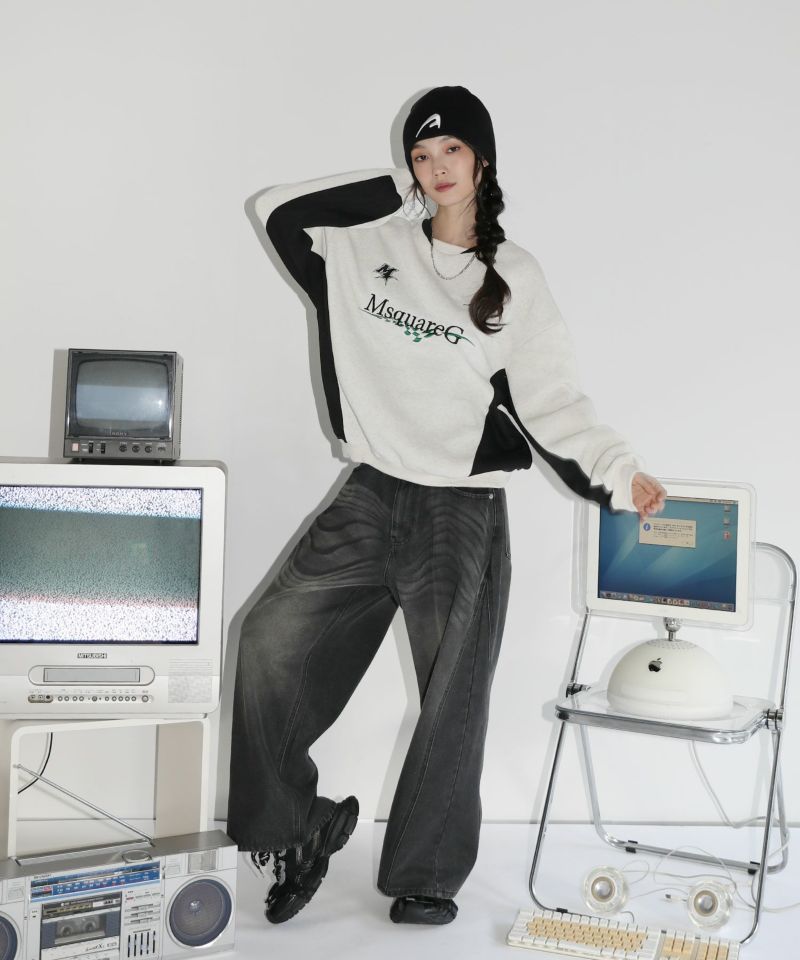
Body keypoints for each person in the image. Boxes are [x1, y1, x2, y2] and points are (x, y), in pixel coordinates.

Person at [227, 85, 666, 927]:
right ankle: (297, 826)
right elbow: (278, 211)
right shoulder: (361, 245)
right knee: (270, 642)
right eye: (421, 156)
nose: (436, 169)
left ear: (482, 161)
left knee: (453, 692)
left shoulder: (513, 276)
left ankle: (425, 872)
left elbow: (551, 399)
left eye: (451, 152)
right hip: (370, 491)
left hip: (461, 508)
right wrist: (393, 193)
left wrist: (618, 470)